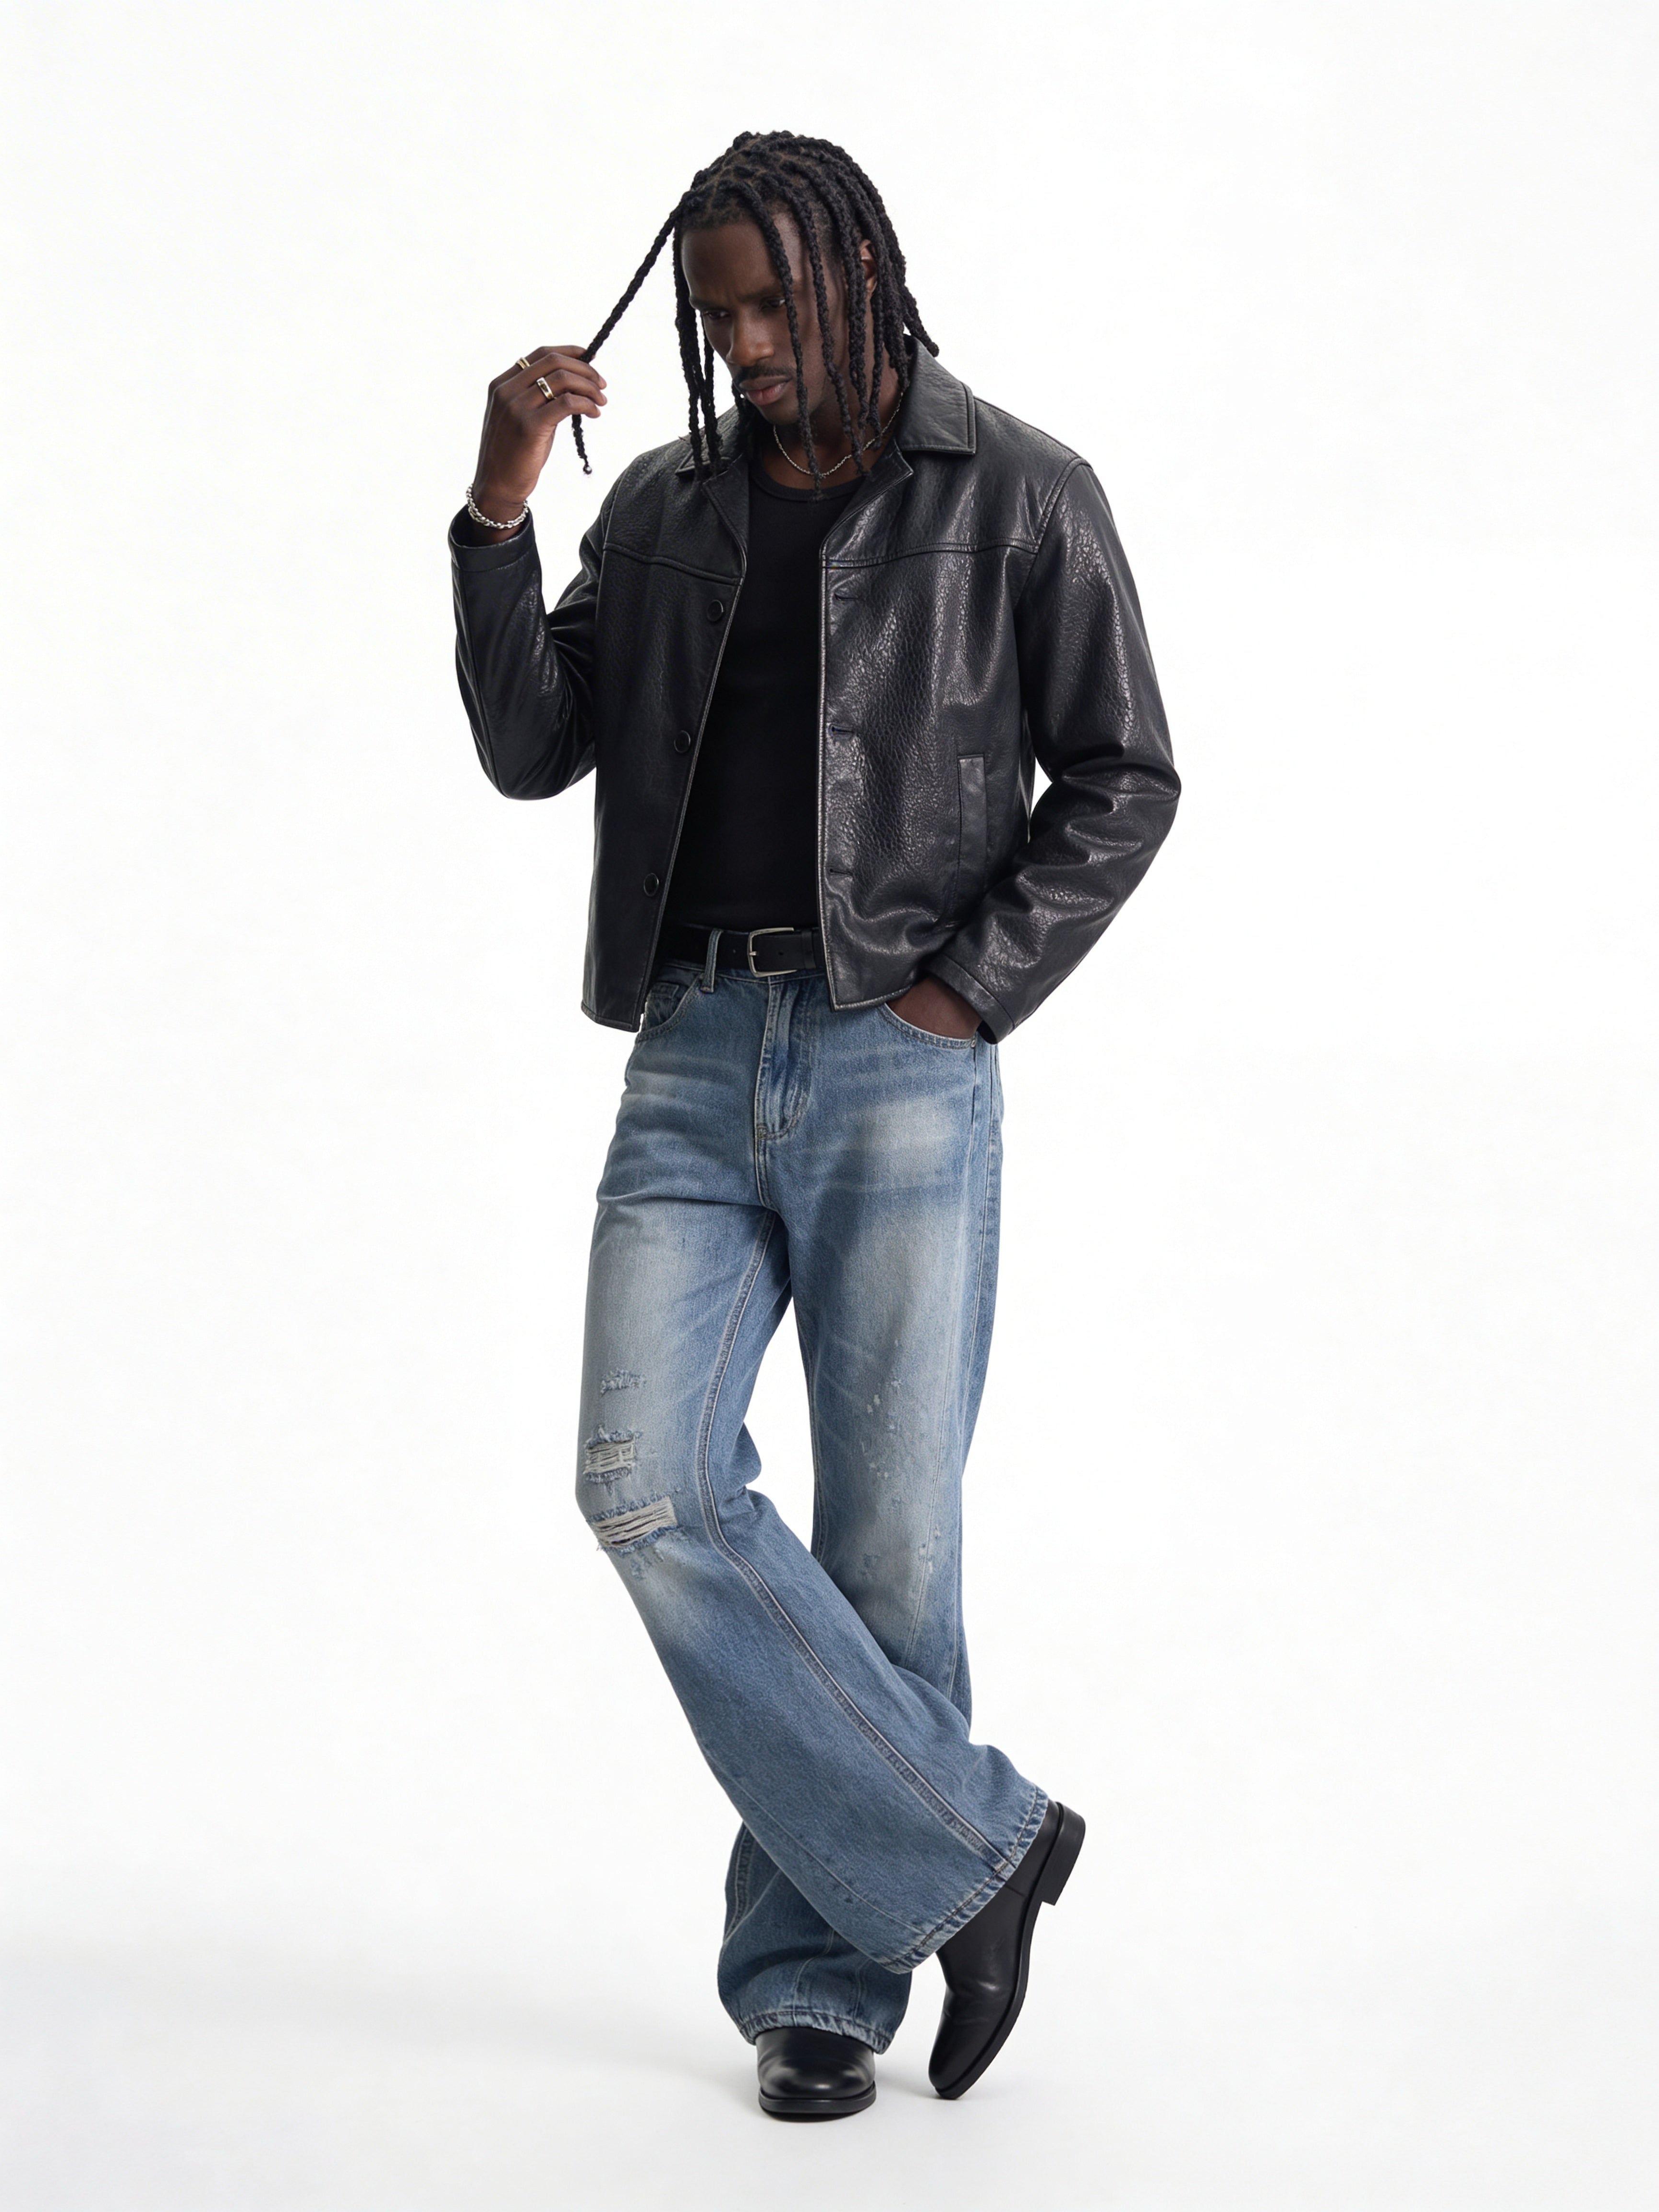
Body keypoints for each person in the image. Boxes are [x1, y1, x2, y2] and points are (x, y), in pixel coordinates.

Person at [448, 130, 1178, 2120]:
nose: (750, 343)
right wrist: (498, 511)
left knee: (888, 1543)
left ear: (862, 273)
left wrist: (961, 992)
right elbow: (532, 743)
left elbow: (1124, 774)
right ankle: (985, 1851)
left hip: (898, 1061)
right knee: (644, 1482)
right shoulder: (663, 505)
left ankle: (821, 1986)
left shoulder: (1015, 490)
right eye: (721, 315)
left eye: (776, 302)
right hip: (690, 1053)